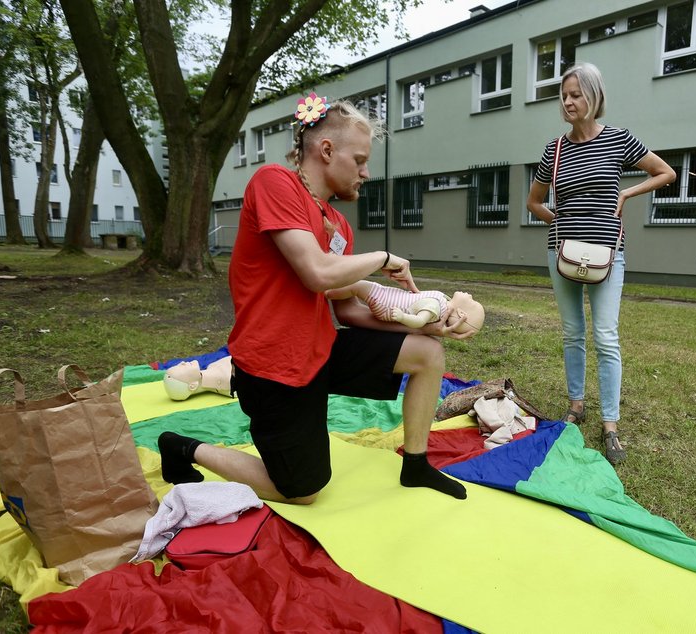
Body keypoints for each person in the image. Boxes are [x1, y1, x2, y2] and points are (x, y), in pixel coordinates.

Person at [158, 93, 472, 504]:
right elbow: (316, 273)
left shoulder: (338, 222)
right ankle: (183, 447)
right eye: (359, 160)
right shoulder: (274, 182)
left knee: (426, 354)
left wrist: (422, 324)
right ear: (326, 150)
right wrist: (382, 258)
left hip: (318, 351)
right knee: (303, 490)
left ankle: (415, 465)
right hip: (273, 367)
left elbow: (348, 310)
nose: (366, 171)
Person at [526, 62, 676, 464]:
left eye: (576, 95)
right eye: (564, 95)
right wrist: (563, 221)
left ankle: (610, 423)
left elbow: (665, 173)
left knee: (606, 336)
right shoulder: (553, 149)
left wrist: (627, 194)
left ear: (593, 97)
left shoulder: (619, 140)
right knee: (573, 333)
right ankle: (576, 405)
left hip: (609, 251)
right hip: (562, 251)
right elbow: (533, 202)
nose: (568, 102)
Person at [326, 281, 485, 334]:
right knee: (357, 285)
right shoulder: (444, 301)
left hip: (386, 304)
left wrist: (402, 317)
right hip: (388, 298)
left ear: (461, 312)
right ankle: (330, 288)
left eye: (471, 301)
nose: (470, 295)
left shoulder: (436, 307)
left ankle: (326, 292)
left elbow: (419, 321)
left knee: (357, 286)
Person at [163, 357, 234, 401]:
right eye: (180, 369)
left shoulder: (212, 366)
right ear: (192, 386)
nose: (182, 362)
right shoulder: (228, 381)